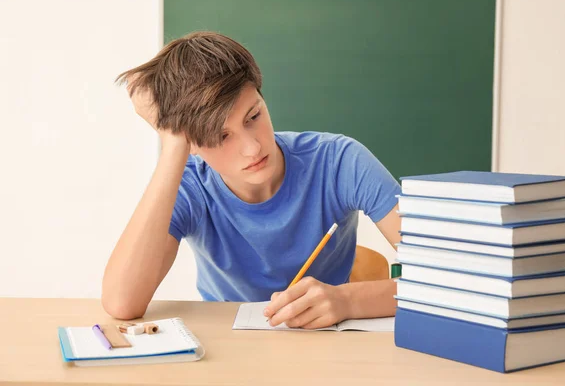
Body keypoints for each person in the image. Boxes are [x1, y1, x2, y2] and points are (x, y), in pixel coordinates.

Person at [102, 31, 402, 329]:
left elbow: (448, 276)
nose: (253, 148)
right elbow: (121, 302)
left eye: (253, 116)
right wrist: (172, 145)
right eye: (221, 136)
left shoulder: (339, 161)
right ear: (190, 143)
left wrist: (348, 300)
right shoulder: (190, 185)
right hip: (229, 349)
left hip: (329, 341)